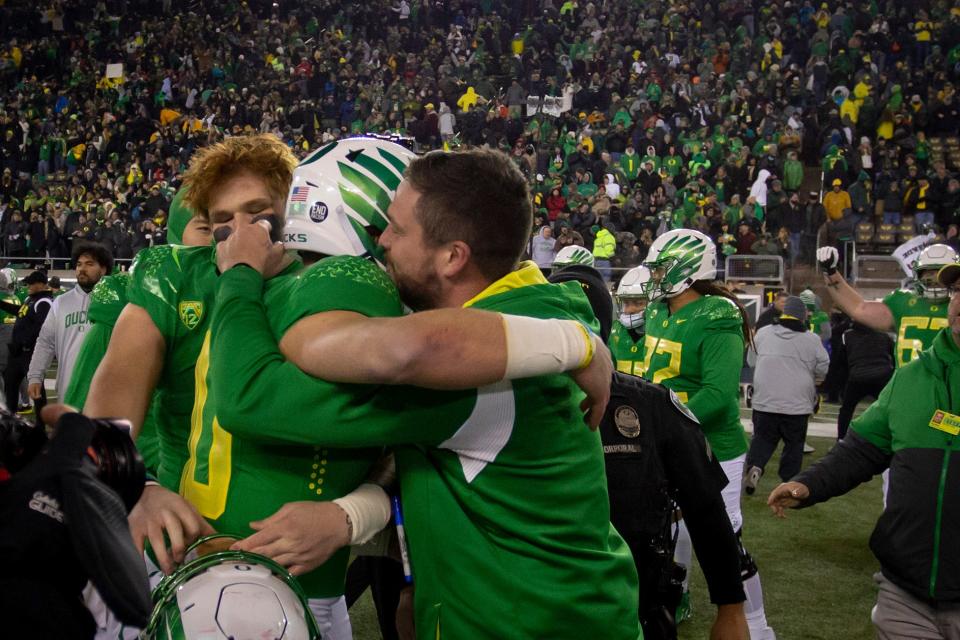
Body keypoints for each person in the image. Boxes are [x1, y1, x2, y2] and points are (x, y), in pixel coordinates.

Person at [84, 137, 614, 637]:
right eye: (221, 220)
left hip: (455, 605)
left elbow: (266, 397)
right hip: (181, 565)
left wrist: (349, 515)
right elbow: (103, 409)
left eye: (259, 215)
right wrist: (140, 487)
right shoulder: (176, 273)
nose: (241, 233)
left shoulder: (369, 290)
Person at [767, 261, 960, 640]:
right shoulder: (912, 377)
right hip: (906, 594)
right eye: (958, 290)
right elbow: (862, 449)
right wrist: (809, 485)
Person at [639, 229, 775, 640]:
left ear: (685, 268)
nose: (655, 276)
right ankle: (667, 608)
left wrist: (660, 424)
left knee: (723, 541)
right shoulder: (658, 311)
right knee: (665, 534)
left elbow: (717, 395)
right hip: (669, 443)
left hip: (713, 448)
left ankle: (754, 625)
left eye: (661, 267)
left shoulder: (716, 312)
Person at [64, 188, 212, 478]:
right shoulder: (138, 295)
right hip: (154, 473)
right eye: (205, 228)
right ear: (177, 231)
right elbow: (88, 399)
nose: (222, 239)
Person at [817, 243, 958, 367]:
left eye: (939, 275)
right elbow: (858, 308)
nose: (933, 281)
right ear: (918, 275)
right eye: (928, 274)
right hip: (907, 387)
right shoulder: (903, 302)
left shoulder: (956, 305)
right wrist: (831, 272)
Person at [743, 296, 829, 494]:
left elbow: (751, 360)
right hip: (797, 402)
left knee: (762, 439)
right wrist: (815, 377)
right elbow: (823, 367)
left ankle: (755, 467)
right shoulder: (811, 339)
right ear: (802, 316)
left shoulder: (764, 333)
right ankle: (788, 482)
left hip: (765, 399)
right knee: (794, 445)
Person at [26, 242, 111, 408]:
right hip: (68, 389)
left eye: (89, 264)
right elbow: (45, 342)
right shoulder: (61, 302)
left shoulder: (114, 303)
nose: (81, 269)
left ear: (103, 269)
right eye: (79, 264)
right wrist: (35, 376)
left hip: (104, 391)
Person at [0, 270, 53, 413]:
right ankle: (11, 422)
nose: (28, 286)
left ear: (41, 284)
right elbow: (20, 312)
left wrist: (25, 342)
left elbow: (40, 326)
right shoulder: (31, 299)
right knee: (10, 387)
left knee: (36, 390)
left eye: (31, 283)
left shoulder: (44, 302)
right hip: (18, 353)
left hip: (30, 353)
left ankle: (41, 427)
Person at [835, 322, 894, 440]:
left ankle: (841, 438)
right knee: (890, 409)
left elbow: (840, 360)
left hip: (858, 377)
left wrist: (841, 385)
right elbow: (892, 355)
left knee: (846, 409)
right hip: (882, 376)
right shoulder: (884, 336)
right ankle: (892, 437)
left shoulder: (847, 336)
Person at [610, 265, 651, 376]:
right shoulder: (614, 330)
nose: (629, 310)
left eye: (638, 303)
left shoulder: (661, 330)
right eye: (626, 303)